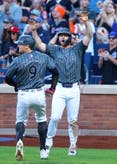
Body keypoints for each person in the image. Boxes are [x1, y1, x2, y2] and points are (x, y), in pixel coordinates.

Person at [30, 12, 92, 157]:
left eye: (65, 35)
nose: (63, 37)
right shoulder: (54, 49)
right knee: (55, 117)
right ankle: (48, 143)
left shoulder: (77, 49)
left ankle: (72, 145)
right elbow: (39, 44)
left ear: (70, 37)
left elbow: (89, 36)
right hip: (60, 88)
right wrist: (33, 30)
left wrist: (86, 22)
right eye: (61, 35)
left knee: (73, 120)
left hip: (74, 88)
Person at [5, 35, 58, 161]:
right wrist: (52, 88)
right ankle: (43, 150)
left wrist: (16, 85)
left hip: (24, 93)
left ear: (27, 46)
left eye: (20, 44)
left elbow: (7, 78)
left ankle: (19, 141)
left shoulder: (18, 60)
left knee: (21, 121)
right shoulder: (44, 57)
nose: (18, 46)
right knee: (41, 119)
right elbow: (55, 72)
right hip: (39, 93)